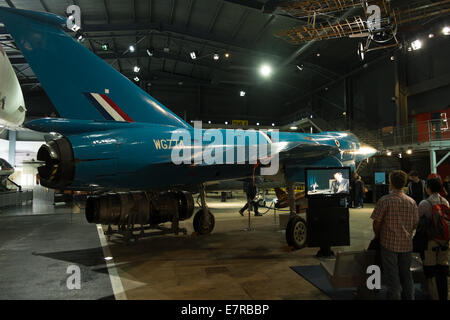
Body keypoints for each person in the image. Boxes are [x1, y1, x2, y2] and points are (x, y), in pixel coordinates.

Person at [371, 170, 419, 300]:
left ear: (390, 183)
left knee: (392, 277)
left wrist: (378, 235)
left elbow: (377, 223)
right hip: (406, 244)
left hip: (388, 244)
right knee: (406, 275)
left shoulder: (385, 200)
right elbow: (415, 224)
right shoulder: (412, 202)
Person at [418, 176, 449, 301]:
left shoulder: (425, 203)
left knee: (431, 271)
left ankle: (434, 295)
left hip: (430, 241)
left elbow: (418, 221)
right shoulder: (445, 202)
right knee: (443, 269)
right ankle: (445, 295)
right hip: (445, 240)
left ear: (428, 188)